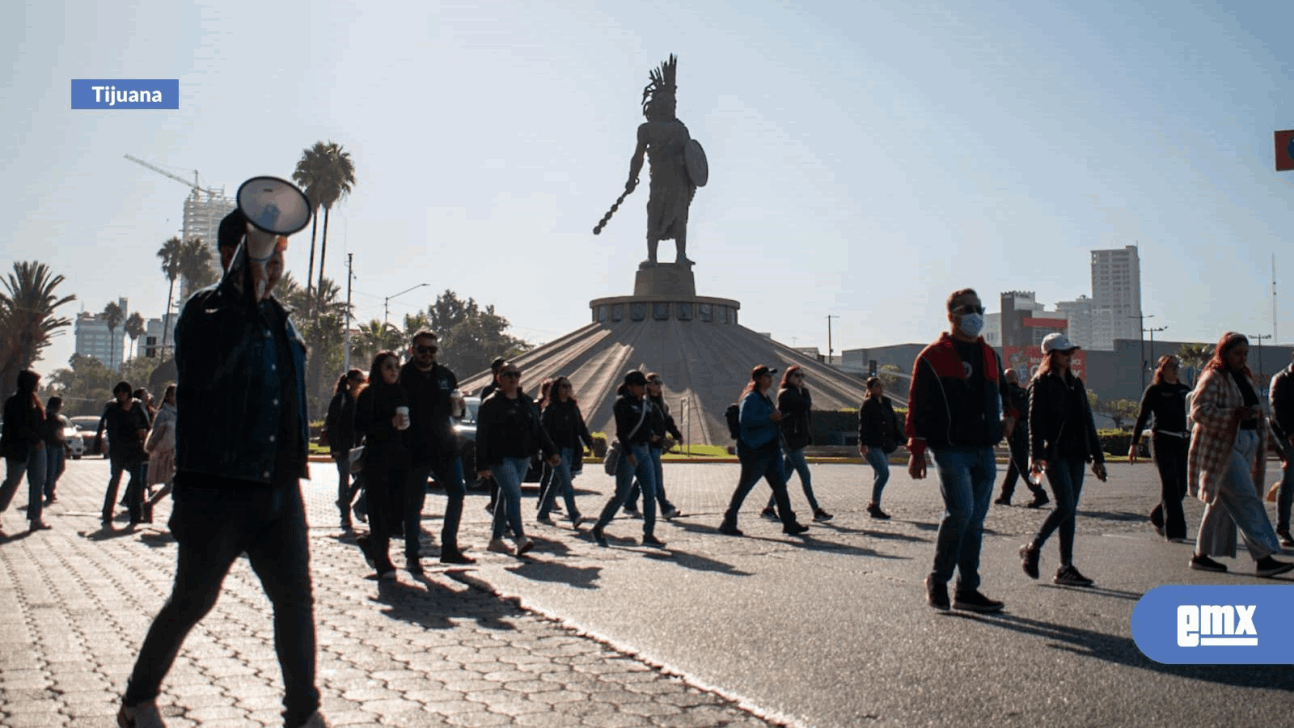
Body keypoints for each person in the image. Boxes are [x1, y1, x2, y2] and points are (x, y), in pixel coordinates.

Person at [118, 206, 328, 728]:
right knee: (193, 599)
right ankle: (137, 700)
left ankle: (303, 713)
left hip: (278, 491)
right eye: (265, 252)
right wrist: (242, 291)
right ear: (229, 253)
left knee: (295, 601)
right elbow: (210, 365)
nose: (276, 264)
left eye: (280, 254)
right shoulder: (204, 311)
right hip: (217, 490)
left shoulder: (282, 319)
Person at [907, 288, 1014, 613]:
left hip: (984, 447)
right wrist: (917, 449)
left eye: (979, 308)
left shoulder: (989, 355)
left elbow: (1006, 393)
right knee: (961, 513)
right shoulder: (932, 356)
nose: (975, 314)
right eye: (968, 309)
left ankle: (967, 590)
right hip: (949, 448)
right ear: (952, 314)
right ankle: (938, 580)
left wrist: (1011, 417)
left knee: (976, 520)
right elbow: (918, 406)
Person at [1186, 332, 1293, 577]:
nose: (1242, 358)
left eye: (1245, 354)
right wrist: (1232, 415)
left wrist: (1277, 447)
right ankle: (1264, 558)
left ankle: (1200, 555)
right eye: (1237, 353)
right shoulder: (1213, 376)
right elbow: (1198, 411)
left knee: (1222, 505)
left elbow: (1256, 413)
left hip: (1246, 443)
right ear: (1225, 353)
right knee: (1247, 498)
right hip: (1223, 448)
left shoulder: (1244, 377)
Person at [1017, 334, 1107, 588]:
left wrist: (1097, 458)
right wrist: (1036, 456)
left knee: (1070, 510)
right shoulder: (1041, 383)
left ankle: (1065, 566)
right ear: (1051, 355)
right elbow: (1035, 424)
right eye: (1065, 352)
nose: (1070, 356)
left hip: (1077, 453)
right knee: (1065, 505)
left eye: (1071, 352)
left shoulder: (1075, 384)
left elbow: (1088, 422)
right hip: (1054, 454)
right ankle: (1033, 547)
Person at [401, 330, 475, 567]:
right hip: (415, 449)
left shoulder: (446, 376)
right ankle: (412, 553)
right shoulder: (403, 375)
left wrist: (460, 407)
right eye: (422, 349)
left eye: (432, 350)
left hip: (445, 447)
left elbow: (458, 412)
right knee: (414, 503)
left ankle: (449, 547)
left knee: (458, 493)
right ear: (413, 350)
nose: (427, 354)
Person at [475, 361, 558, 556]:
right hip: (500, 458)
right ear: (499, 378)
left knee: (507, 496)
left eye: (516, 374)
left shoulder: (526, 402)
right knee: (513, 495)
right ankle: (520, 537)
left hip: (522, 457)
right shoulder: (490, 403)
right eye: (508, 375)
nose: (513, 378)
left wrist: (550, 451)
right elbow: (482, 436)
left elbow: (538, 430)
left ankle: (495, 540)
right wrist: (481, 464)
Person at [625, 54, 701, 266]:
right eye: (664, 101)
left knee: (680, 217)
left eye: (671, 102)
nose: (669, 105)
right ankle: (652, 257)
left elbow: (691, 155)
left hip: (678, 182)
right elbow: (637, 156)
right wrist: (632, 178)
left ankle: (681, 256)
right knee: (654, 215)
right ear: (656, 103)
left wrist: (686, 166)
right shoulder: (646, 130)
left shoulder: (680, 129)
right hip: (659, 181)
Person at [718, 366, 811, 538]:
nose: (771, 379)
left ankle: (789, 523)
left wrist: (777, 418)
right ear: (758, 378)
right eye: (767, 376)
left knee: (780, 488)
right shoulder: (751, 398)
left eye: (771, 377)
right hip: (756, 451)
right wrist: (769, 418)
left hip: (771, 449)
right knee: (745, 487)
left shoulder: (765, 398)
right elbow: (745, 420)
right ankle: (728, 521)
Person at [591, 371, 671, 547]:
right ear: (631, 386)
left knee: (650, 493)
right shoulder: (622, 403)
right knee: (621, 494)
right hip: (630, 452)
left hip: (645, 451)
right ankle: (599, 526)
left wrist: (652, 436)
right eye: (641, 385)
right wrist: (629, 453)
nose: (644, 388)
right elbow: (622, 431)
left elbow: (649, 425)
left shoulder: (646, 404)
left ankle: (648, 534)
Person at [354, 352, 410, 581]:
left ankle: (370, 543)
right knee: (378, 511)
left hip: (400, 458)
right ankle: (383, 561)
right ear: (378, 369)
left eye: (397, 366)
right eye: (388, 366)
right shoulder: (369, 393)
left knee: (397, 512)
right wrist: (389, 423)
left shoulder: (401, 392)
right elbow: (361, 426)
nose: (393, 371)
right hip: (376, 459)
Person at [1128, 355, 1192, 541]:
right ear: (1162, 369)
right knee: (1170, 484)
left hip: (1182, 441)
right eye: (1172, 366)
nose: (1176, 369)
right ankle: (1176, 532)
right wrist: (1134, 443)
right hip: (1162, 441)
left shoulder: (1184, 390)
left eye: (1177, 366)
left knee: (1181, 488)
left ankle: (1157, 516)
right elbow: (1142, 417)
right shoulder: (1154, 390)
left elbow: (1193, 415)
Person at [759, 366, 830, 522]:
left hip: (798, 439)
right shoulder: (785, 393)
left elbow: (806, 409)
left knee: (784, 476)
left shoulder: (800, 392)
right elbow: (804, 405)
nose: (800, 379)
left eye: (802, 376)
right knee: (805, 474)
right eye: (797, 376)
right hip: (789, 440)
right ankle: (816, 510)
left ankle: (769, 508)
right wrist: (804, 393)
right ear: (789, 377)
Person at [624, 373, 682, 520]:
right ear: (648, 385)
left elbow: (668, 421)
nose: (658, 385)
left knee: (645, 476)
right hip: (647, 445)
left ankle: (629, 503)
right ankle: (665, 507)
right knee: (656, 477)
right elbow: (641, 423)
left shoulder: (662, 403)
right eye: (655, 382)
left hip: (656, 446)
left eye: (660, 383)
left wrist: (677, 435)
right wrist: (650, 435)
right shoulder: (645, 403)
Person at [538, 375, 594, 527]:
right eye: (564, 386)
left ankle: (542, 514)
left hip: (571, 450)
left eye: (569, 386)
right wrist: (548, 452)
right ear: (557, 389)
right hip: (557, 452)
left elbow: (581, 427)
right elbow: (543, 432)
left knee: (554, 483)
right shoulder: (550, 409)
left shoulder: (572, 407)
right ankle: (574, 515)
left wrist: (589, 442)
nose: (567, 389)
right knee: (567, 484)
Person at [95, 381, 151, 527]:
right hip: (118, 449)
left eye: (124, 392)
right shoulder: (112, 407)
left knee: (137, 482)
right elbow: (104, 425)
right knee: (115, 480)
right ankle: (107, 513)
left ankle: (135, 515)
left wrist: (145, 436)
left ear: (129, 393)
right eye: (118, 392)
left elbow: (147, 424)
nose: (121, 395)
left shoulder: (138, 405)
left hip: (135, 449)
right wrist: (99, 443)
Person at [0, 370, 49, 532]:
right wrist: (35, 439)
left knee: (37, 483)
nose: (37, 386)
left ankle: (35, 518)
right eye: (35, 382)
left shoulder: (35, 401)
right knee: (12, 482)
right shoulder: (14, 402)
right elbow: (18, 427)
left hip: (37, 449)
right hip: (18, 449)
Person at [994, 369, 1049, 508]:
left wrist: (998, 434)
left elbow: (1004, 414)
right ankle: (1006, 495)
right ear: (1017, 379)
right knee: (1015, 465)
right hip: (1026, 431)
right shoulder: (1024, 393)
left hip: (1014, 431)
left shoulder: (1006, 394)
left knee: (1022, 466)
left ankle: (1040, 494)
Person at [857, 376, 905, 519]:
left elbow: (894, 423)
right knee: (884, 473)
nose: (880, 388)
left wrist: (903, 440)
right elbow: (863, 426)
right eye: (877, 386)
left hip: (885, 444)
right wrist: (863, 443)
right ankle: (874, 504)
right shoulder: (867, 404)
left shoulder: (886, 402)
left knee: (879, 474)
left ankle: (876, 506)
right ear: (870, 389)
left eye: (881, 385)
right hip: (872, 445)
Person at [325, 370, 364, 530]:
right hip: (343, 447)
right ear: (349, 381)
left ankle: (347, 502)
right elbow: (332, 425)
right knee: (344, 480)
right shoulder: (341, 398)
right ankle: (345, 517)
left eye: (363, 380)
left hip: (359, 446)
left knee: (364, 477)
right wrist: (335, 448)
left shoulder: (362, 398)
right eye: (358, 380)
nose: (361, 383)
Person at [141, 385, 178, 523]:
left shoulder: (181, 411)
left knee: (174, 484)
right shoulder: (163, 413)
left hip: (178, 452)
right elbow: (156, 435)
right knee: (172, 484)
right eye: (174, 395)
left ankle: (150, 503)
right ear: (168, 397)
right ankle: (150, 504)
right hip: (166, 453)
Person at [1269, 352, 1294, 547]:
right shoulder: (1280, 379)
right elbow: (1276, 410)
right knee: (1289, 477)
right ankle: (1283, 528)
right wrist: (1290, 434)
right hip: (1286, 435)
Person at [40, 395, 69, 505]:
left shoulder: (58, 417)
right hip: (50, 446)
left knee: (60, 468)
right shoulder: (47, 415)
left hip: (59, 445)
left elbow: (60, 434)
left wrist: (66, 445)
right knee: (51, 470)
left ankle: (49, 487)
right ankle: (49, 491)